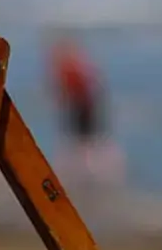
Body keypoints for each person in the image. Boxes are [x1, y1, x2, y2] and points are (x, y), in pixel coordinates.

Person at [48, 32, 126, 187]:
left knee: (84, 140)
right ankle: (94, 170)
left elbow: (71, 89)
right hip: (83, 105)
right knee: (86, 139)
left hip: (82, 106)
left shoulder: (70, 65)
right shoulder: (75, 64)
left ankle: (95, 171)